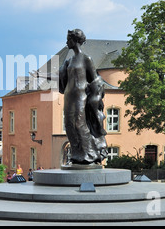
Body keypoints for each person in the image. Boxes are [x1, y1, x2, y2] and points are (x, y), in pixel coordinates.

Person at [33, 29, 108, 165]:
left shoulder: (86, 59)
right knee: (69, 125)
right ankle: (77, 155)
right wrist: (41, 75)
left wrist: (95, 98)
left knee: (79, 124)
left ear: (75, 40)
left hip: (81, 97)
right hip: (69, 97)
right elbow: (60, 77)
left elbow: (95, 79)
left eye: (68, 39)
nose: (66, 42)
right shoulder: (69, 61)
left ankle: (90, 154)